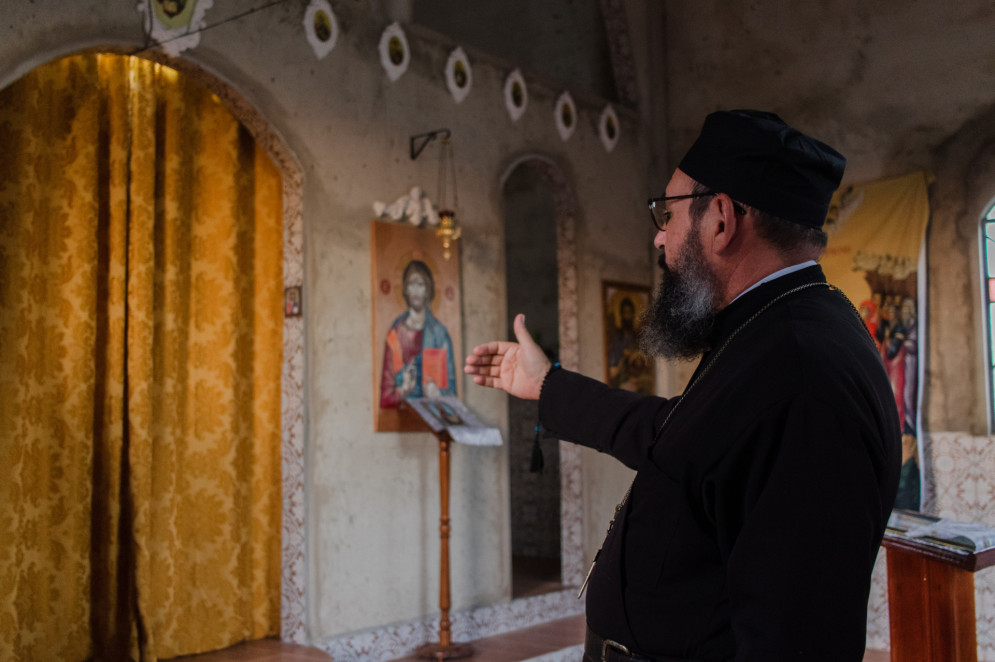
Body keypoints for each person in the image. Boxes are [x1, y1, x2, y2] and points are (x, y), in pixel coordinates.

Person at [465, 110, 901, 661]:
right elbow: (675, 437)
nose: (658, 236)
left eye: (665, 212)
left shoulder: (800, 371)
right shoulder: (772, 330)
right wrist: (547, 386)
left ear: (721, 218)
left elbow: (796, 639)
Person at [380, 259, 456, 408]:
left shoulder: (440, 334)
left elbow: (452, 395)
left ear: (428, 290)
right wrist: (403, 391)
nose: (415, 290)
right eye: (411, 284)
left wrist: (438, 395)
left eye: (420, 285)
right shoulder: (396, 333)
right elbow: (386, 395)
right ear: (405, 289)